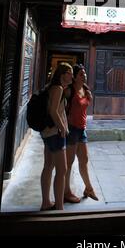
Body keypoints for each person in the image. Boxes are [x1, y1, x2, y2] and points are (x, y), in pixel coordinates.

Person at [40, 62, 73, 210]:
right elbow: (54, 111)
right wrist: (63, 128)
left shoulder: (51, 87)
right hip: (55, 133)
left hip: (47, 132)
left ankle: (46, 202)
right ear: (62, 74)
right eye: (69, 72)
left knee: (48, 166)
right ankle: (59, 207)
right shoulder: (58, 88)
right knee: (62, 170)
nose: (71, 75)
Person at [64, 64, 99, 203]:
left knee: (84, 160)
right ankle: (66, 191)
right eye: (81, 74)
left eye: (84, 74)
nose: (84, 76)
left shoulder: (86, 90)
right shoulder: (69, 91)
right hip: (71, 129)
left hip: (82, 129)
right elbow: (61, 107)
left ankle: (88, 188)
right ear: (75, 77)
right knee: (69, 162)